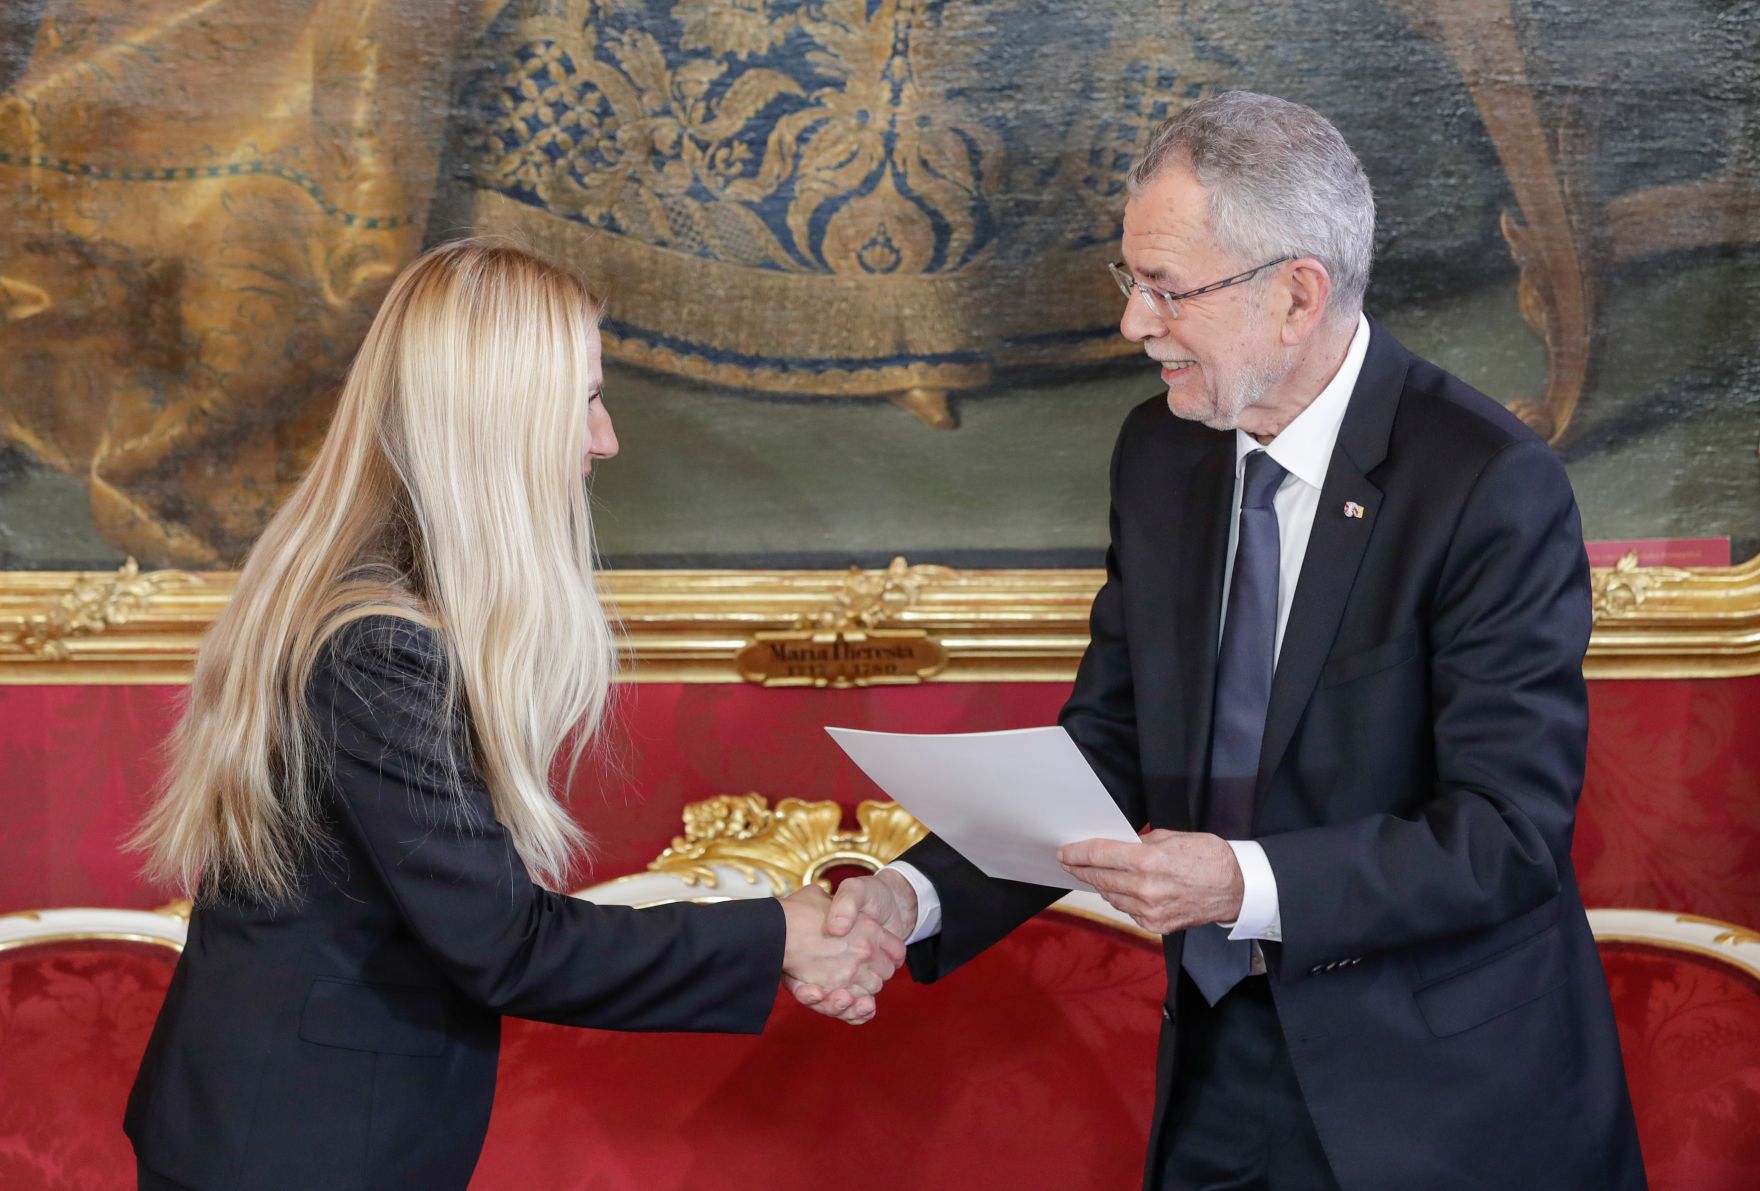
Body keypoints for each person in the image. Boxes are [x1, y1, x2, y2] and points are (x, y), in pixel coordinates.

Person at [804, 92, 1646, 1189]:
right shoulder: (1162, 453)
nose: (1132, 324)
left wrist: (1236, 885)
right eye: (1131, 283)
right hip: (1217, 1064)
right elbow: (1103, 749)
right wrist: (906, 900)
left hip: (1441, 1098)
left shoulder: (1485, 484)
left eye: (1165, 289)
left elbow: (1504, 833)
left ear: (1294, 294)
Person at [125, 239, 902, 1191]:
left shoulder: (364, 597)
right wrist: (781, 930)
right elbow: (505, 947)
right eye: (584, 399)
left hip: (285, 1131)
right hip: (301, 1150)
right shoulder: (379, 641)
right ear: (498, 419)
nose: (604, 437)